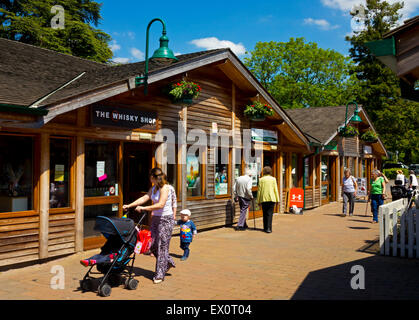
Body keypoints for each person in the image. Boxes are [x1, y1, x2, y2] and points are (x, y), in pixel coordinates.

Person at [123, 168, 177, 284]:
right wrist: (130, 205)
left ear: (153, 177)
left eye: (150, 177)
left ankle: (159, 275)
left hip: (166, 220)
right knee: (151, 245)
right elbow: (144, 198)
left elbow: (161, 204)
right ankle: (168, 261)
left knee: (162, 246)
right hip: (156, 219)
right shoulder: (154, 188)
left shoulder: (166, 188)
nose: (149, 179)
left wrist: (144, 208)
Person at [256, 166, 280, 233]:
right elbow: (275, 189)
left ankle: (265, 227)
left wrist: (258, 200)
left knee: (264, 213)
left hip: (264, 198)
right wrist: (277, 199)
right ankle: (269, 228)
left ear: (263, 172)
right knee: (270, 214)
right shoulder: (273, 179)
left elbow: (259, 191)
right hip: (272, 198)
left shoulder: (261, 180)